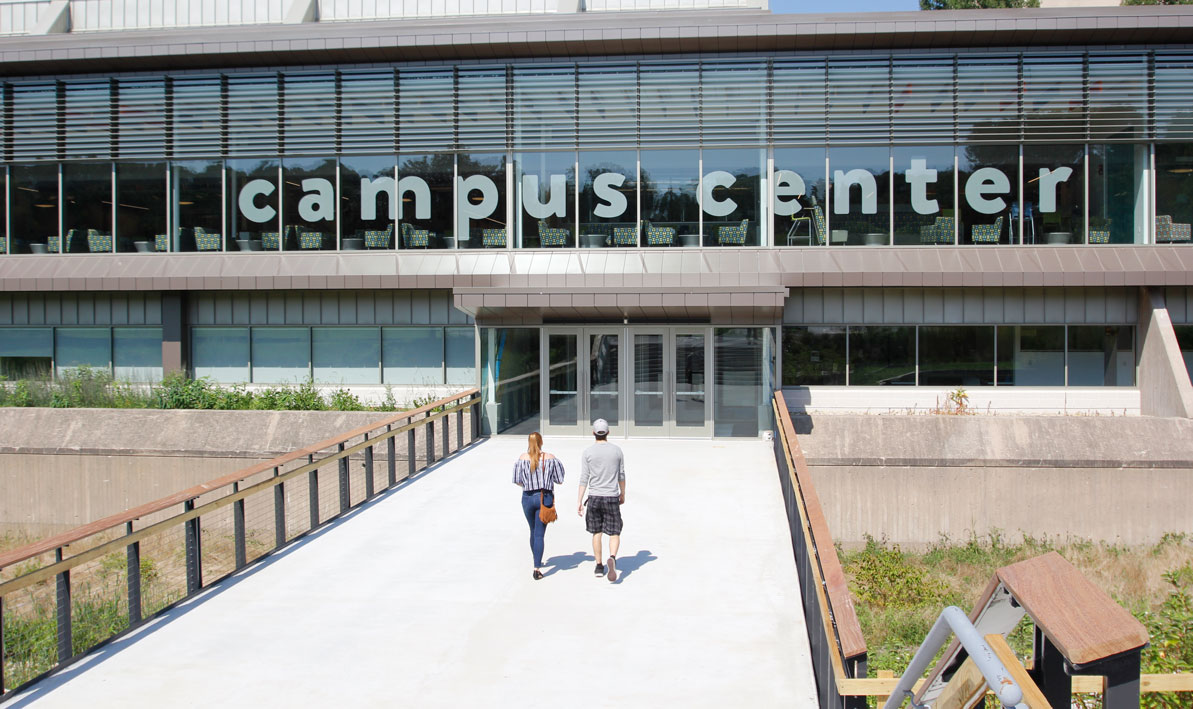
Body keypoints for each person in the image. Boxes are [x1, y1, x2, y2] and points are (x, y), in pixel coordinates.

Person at [576, 418, 625, 582]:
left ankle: (598, 565)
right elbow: (621, 475)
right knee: (615, 532)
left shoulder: (588, 452)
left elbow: (584, 478)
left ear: (594, 433)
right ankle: (612, 557)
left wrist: (579, 500)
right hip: (611, 496)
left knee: (596, 532)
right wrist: (622, 493)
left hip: (595, 497)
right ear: (608, 433)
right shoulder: (617, 451)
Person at [513, 432, 565, 580]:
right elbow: (560, 479)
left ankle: (536, 559)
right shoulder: (550, 458)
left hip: (527, 497)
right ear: (541, 442)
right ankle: (537, 568)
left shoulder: (521, 459)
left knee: (533, 530)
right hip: (544, 497)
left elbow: (517, 480)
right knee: (539, 534)